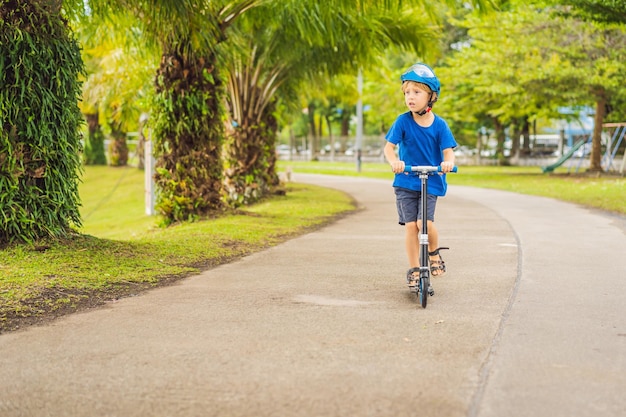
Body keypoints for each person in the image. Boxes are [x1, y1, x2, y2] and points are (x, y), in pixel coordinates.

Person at [383, 63, 457, 286]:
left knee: (424, 222)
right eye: (407, 92)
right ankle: (415, 268)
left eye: (417, 92)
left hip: (430, 180)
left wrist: (447, 163)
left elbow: (448, 153)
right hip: (406, 181)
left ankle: (433, 253)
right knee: (411, 226)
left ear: (431, 97)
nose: (410, 97)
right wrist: (395, 161)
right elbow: (389, 148)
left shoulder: (440, 125)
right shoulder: (402, 121)